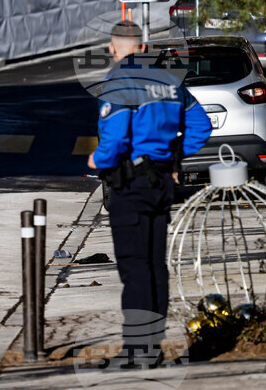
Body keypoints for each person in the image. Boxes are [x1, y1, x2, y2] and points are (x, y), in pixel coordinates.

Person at [88, 20, 211, 367]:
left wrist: (97, 158)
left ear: (113, 49)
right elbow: (201, 125)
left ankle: (139, 352)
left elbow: (114, 142)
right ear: (143, 48)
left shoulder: (118, 84)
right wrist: (171, 157)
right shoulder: (171, 82)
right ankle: (151, 347)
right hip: (162, 184)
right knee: (156, 266)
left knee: (135, 268)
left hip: (131, 186)